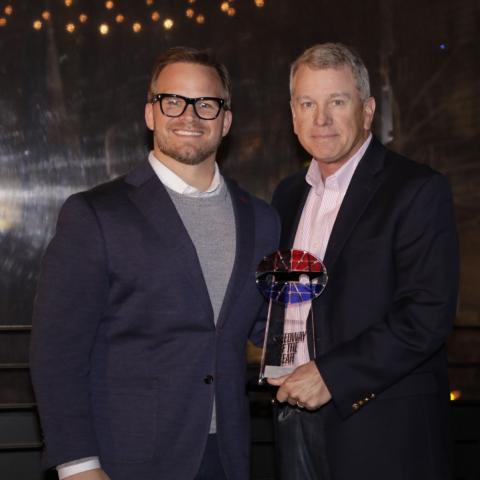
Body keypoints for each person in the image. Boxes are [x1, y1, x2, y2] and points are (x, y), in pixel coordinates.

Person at [30, 47, 279, 480]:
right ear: (150, 113)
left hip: (230, 457)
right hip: (125, 461)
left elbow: (267, 324)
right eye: (172, 100)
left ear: (226, 120)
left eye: (206, 103)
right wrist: (78, 465)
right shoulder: (96, 215)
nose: (189, 114)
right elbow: (57, 353)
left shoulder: (262, 220)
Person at [268, 43, 459, 480]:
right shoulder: (287, 196)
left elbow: (427, 315)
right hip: (292, 424)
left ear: (368, 110)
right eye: (307, 103)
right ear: (293, 115)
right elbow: (289, 300)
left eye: (337, 101)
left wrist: (332, 376)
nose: (321, 119)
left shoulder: (416, 190)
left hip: (382, 434)